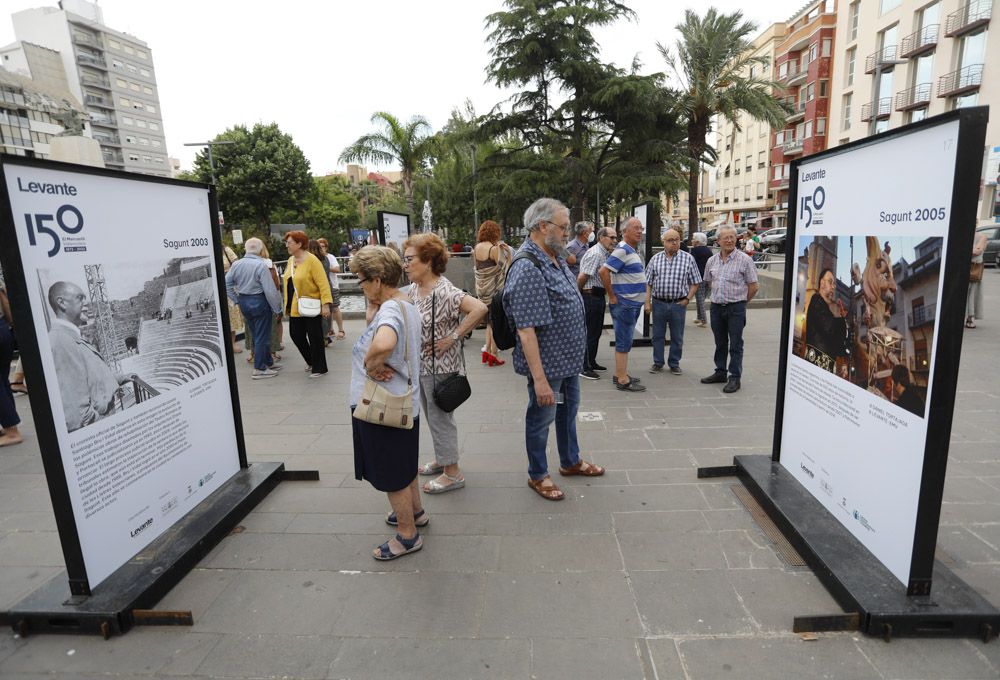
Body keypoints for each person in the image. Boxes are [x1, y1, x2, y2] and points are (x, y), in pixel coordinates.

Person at [503, 198, 604, 502]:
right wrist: (541, 380)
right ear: (542, 226)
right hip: (547, 365)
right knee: (541, 417)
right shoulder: (528, 266)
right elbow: (526, 330)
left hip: (567, 360)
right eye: (562, 227)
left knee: (567, 412)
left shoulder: (554, 257)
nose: (566, 233)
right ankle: (537, 474)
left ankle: (570, 461)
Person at [349, 245, 424, 560]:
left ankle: (407, 535)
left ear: (378, 279)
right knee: (405, 465)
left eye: (362, 280)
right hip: (404, 404)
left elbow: (384, 343)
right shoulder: (406, 302)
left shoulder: (391, 310)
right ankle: (415, 512)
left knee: (392, 472)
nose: (361, 286)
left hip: (383, 409)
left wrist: (370, 363)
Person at [402, 233, 487, 494]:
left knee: (441, 419)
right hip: (422, 365)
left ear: (428, 261)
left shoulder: (445, 290)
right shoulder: (416, 288)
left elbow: (480, 308)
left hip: (440, 366)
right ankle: (443, 458)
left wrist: (453, 337)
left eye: (409, 259)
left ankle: (453, 473)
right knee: (433, 416)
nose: (405, 264)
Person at [46, 281, 137, 432]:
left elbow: (90, 374)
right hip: (101, 427)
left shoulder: (70, 336)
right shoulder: (61, 341)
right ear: (61, 303)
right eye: (80, 298)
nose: (86, 303)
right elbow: (78, 414)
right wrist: (108, 427)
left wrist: (119, 378)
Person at [700, 225, 758, 394]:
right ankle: (720, 372)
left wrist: (740, 302)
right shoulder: (712, 261)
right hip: (717, 308)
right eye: (725, 237)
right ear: (718, 241)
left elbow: (753, 286)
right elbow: (710, 282)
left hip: (736, 308)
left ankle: (734, 377)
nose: (729, 240)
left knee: (736, 344)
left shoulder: (745, 260)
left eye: (732, 237)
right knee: (720, 342)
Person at [599, 216, 646, 393]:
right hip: (625, 304)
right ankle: (622, 380)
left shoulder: (630, 250)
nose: (640, 231)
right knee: (624, 341)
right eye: (635, 228)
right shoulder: (623, 250)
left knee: (624, 340)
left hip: (629, 304)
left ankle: (620, 373)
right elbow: (603, 271)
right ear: (624, 231)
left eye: (641, 228)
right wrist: (611, 296)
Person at [644, 228, 701, 375]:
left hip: (678, 303)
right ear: (664, 242)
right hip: (659, 303)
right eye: (670, 240)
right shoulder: (655, 259)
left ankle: (674, 363)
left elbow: (695, 282)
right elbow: (648, 283)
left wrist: (687, 299)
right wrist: (647, 303)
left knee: (677, 336)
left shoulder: (688, 258)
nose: (674, 243)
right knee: (657, 335)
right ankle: (658, 362)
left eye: (677, 239)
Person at [226, 237, 284, 380]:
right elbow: (270, 290)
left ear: (246, 248)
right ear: (260, 249)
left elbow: (226, 283)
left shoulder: (236, 265)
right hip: (259, 301)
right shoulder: (261, 265)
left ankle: (267, 362)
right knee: (262, 336)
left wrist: (236, 299)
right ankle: (259, 368)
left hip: (244, 301)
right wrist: (277, 308)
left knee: (256, 333)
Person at [282, 231, 333, 378]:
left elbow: (323, 283)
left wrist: (326, 304)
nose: (287, 245)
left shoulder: (312, 261)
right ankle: (311, 360)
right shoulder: (291, 260)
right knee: (295, 335)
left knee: (315, 337)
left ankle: (320, 367)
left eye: (289, 242)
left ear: (299, 244)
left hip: (311, 304)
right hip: (294, 306)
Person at [576, 226, 617, 379]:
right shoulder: (595, 253)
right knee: (590, 333)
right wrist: (577, 295)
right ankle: (583, 366)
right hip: (590, 297)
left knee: (595, 332)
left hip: (597, 296)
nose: (614, 240)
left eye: (615, 238)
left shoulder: (603, 253)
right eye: (611, 237)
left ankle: (591, 362)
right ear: (601, 238)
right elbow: (582, 277)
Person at [473, 220, 513, 366]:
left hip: (482, 290)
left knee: (489, 322)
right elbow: (503, 268)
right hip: (494, 290)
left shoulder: (476, 248)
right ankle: (494, 353)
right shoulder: (493, 249)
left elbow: (478, 268)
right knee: (495, 321)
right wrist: (506, 252)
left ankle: (488, 351)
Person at [804, 268, 849, 373]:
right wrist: (844, 322)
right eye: (830, 282)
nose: (833, 286)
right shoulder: (816, 300)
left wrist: (843, 361)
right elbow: (829, 327)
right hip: (815, 368)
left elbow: (835, 339)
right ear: (822, 283)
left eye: (834, 284)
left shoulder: (826, 310)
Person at [0, 283, 23, 447]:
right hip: (3, 329)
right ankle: (10, 424)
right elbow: (6, 299)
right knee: (2, 380)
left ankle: (11, 431)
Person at [318, 238, 346, 340]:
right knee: (325, 310)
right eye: (319, 246)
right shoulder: (316, 258)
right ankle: (329, 329)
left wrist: (326, 267)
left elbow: (338, 269)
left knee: (334, 308)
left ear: (326, 247)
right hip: (322, 288)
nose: (321, 248)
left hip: (332, 286)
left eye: (323, 246)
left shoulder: (330, 257)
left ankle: (341, 330)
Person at [221, 243, 244, 354]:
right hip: (216, 288)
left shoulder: (226, 250)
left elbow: (237, 265)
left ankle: (232, 343)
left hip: (228, 286)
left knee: (231, 316)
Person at [690, 232, 713, 328]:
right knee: (701, 298)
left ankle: (703, 320)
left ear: (697, 241)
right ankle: (699, 317)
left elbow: (692, 263)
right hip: (708, 277)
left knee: (700, 299)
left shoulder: (695, 250)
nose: (692, 240)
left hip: (698, 277)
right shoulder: (709, 251)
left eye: (693, 239)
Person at [967, 228, 988, 328]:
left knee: (972, 294)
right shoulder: (962, 235)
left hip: (974, 269)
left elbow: (976, 252)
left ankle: (970, 318)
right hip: (962, 269)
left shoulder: (982, 236)